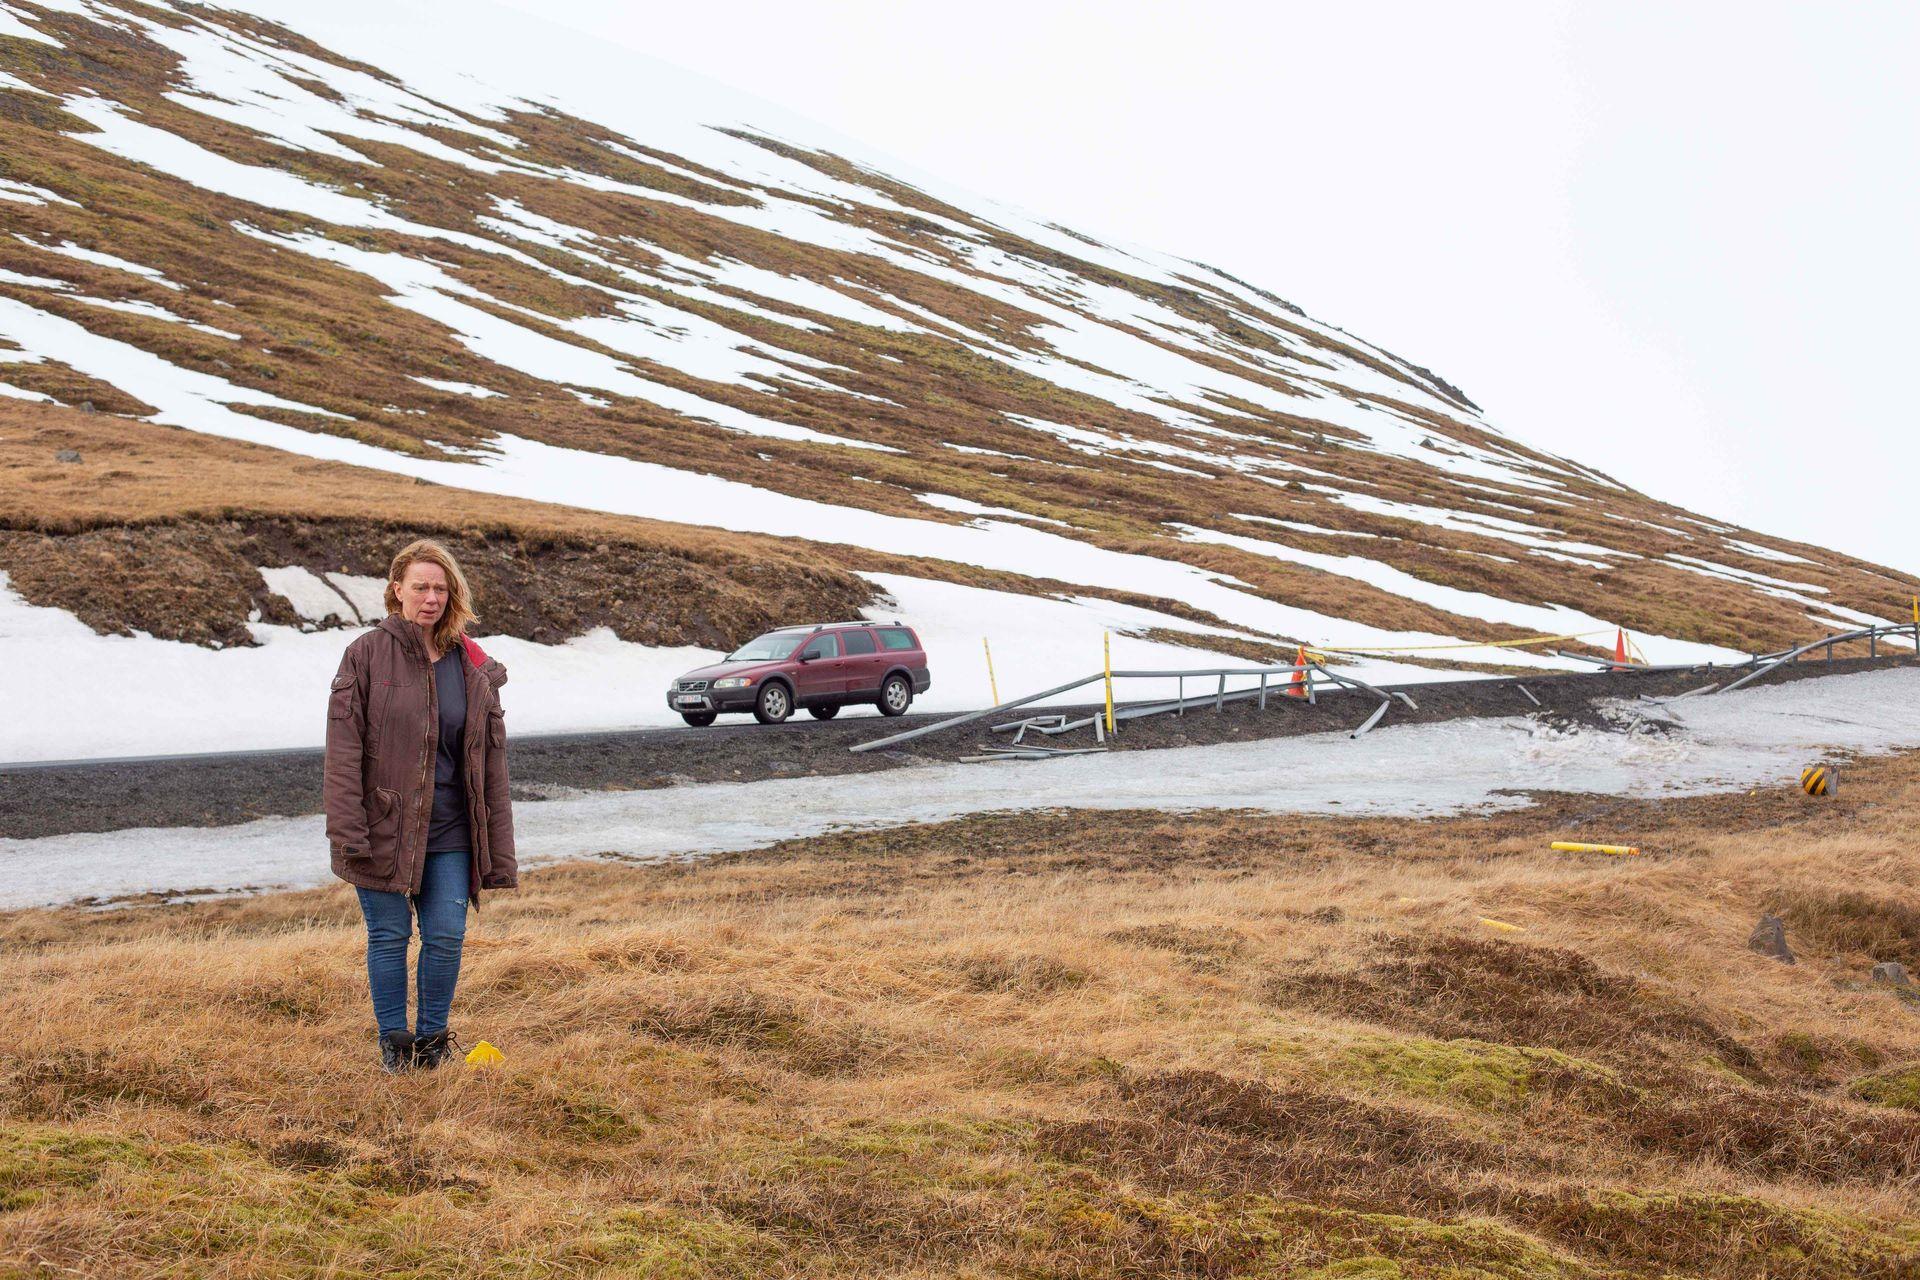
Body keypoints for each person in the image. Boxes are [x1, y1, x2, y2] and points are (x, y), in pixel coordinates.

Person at [323, 539, 517, 1073]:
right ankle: (395, 1047)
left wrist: (497, 840)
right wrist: (347, 829)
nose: (431, 598)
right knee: (388, 936)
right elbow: (342, 752)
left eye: (440, 587)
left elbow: (489, 763)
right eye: (420, 587)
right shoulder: (364, 655)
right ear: (396, 590)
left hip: (451, 829)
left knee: (447, 935)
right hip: (382, 825)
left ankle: (431, 1046)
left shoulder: (470, 663)